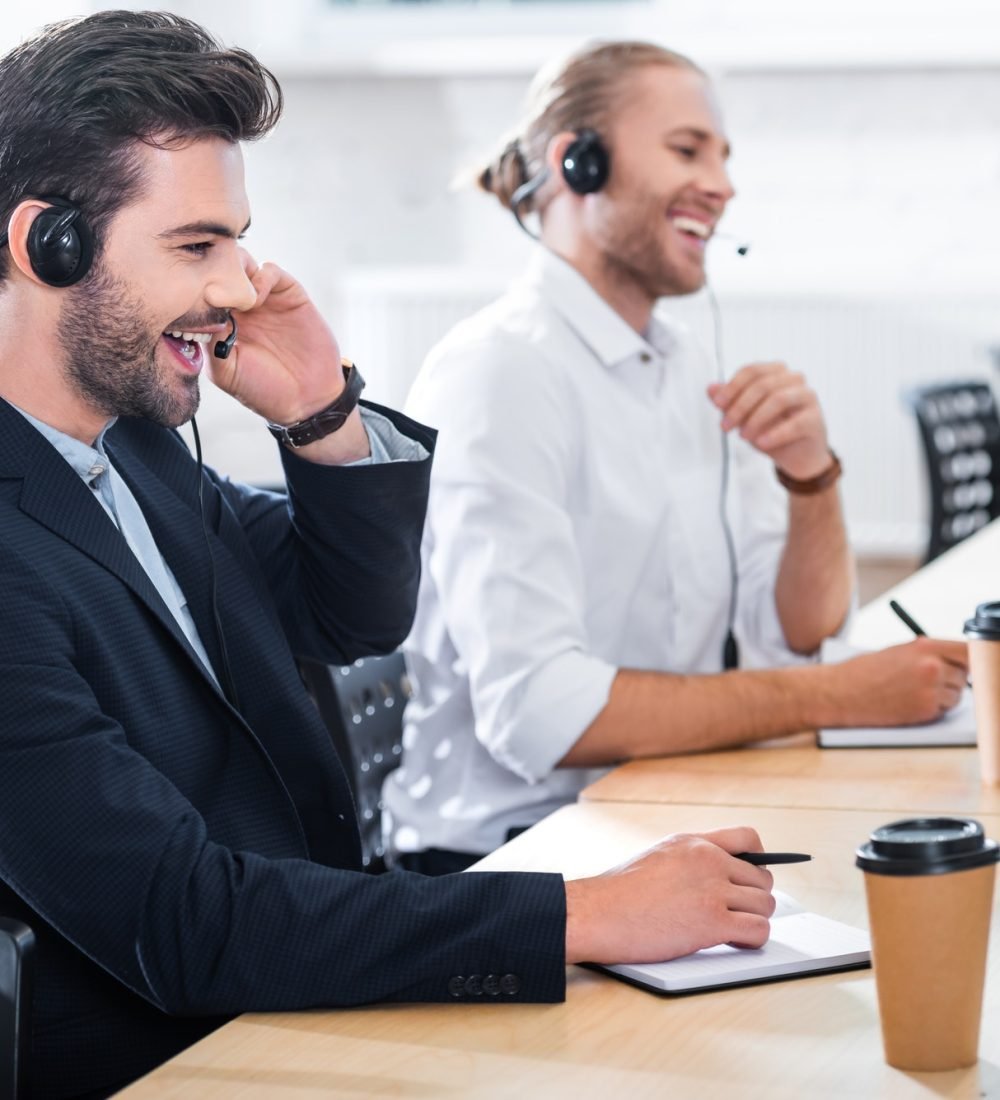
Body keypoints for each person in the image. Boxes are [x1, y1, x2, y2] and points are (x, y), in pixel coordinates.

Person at [0, 14, 779, 1098]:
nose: (235, 288)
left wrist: (321, 415)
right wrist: (582, 912)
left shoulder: (134, 455)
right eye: (195, 245)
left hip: (306, 996)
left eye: (235, 239)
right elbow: (179, 920)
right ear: (49, 242)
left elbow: (351, 615)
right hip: (172, 1058)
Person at [385, 40, 969, 873]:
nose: (723, 185)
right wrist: (843, 693)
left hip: (652, 810)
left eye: (723, 157)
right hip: (511, 860)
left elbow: (792, 635)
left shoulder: (684, 362)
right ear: (578, 162)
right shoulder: (502, 370)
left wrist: (812, 478)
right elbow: (542, 715)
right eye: (687, 149)